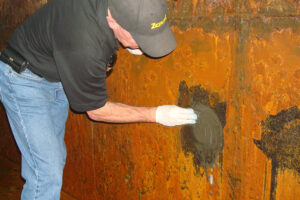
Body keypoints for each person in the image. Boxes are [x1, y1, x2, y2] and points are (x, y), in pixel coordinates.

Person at [0, 0, 197, 199]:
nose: (143, 46)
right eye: (139, 38)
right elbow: (96, 110)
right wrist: (156, 114)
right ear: (113, 22)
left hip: (57, 70)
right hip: (23, 79)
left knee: (53, 158)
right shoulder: (83, 40)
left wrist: (134, 40)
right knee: (46, 171)